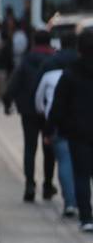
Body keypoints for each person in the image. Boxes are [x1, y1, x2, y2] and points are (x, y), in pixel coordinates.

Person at [46, 27, 93, 233]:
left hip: (78, 133)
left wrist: (50, 129)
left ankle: (86, 216)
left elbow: (58, 104)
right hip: (80, 131)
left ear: (79, 49)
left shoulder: (71, 73)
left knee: (81, 174)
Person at [3, 29, 56, 202]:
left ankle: (30, 185)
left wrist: (7, 101)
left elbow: (14, 83)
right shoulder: (54, 60)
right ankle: (48, 185)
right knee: (49, 148)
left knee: (30, 148)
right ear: (49, 42)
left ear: (33, 42)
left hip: (28, 110)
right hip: (49, 111)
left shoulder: (26, 61)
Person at [36, 32, 81, 218]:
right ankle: (83, 203)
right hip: (84, 124)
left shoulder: (51, 68)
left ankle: (70, 202)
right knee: (83, 166)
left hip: (62, 124)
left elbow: (44, 102)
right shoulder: (82, 66)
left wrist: (48, 127)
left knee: (64, 161)